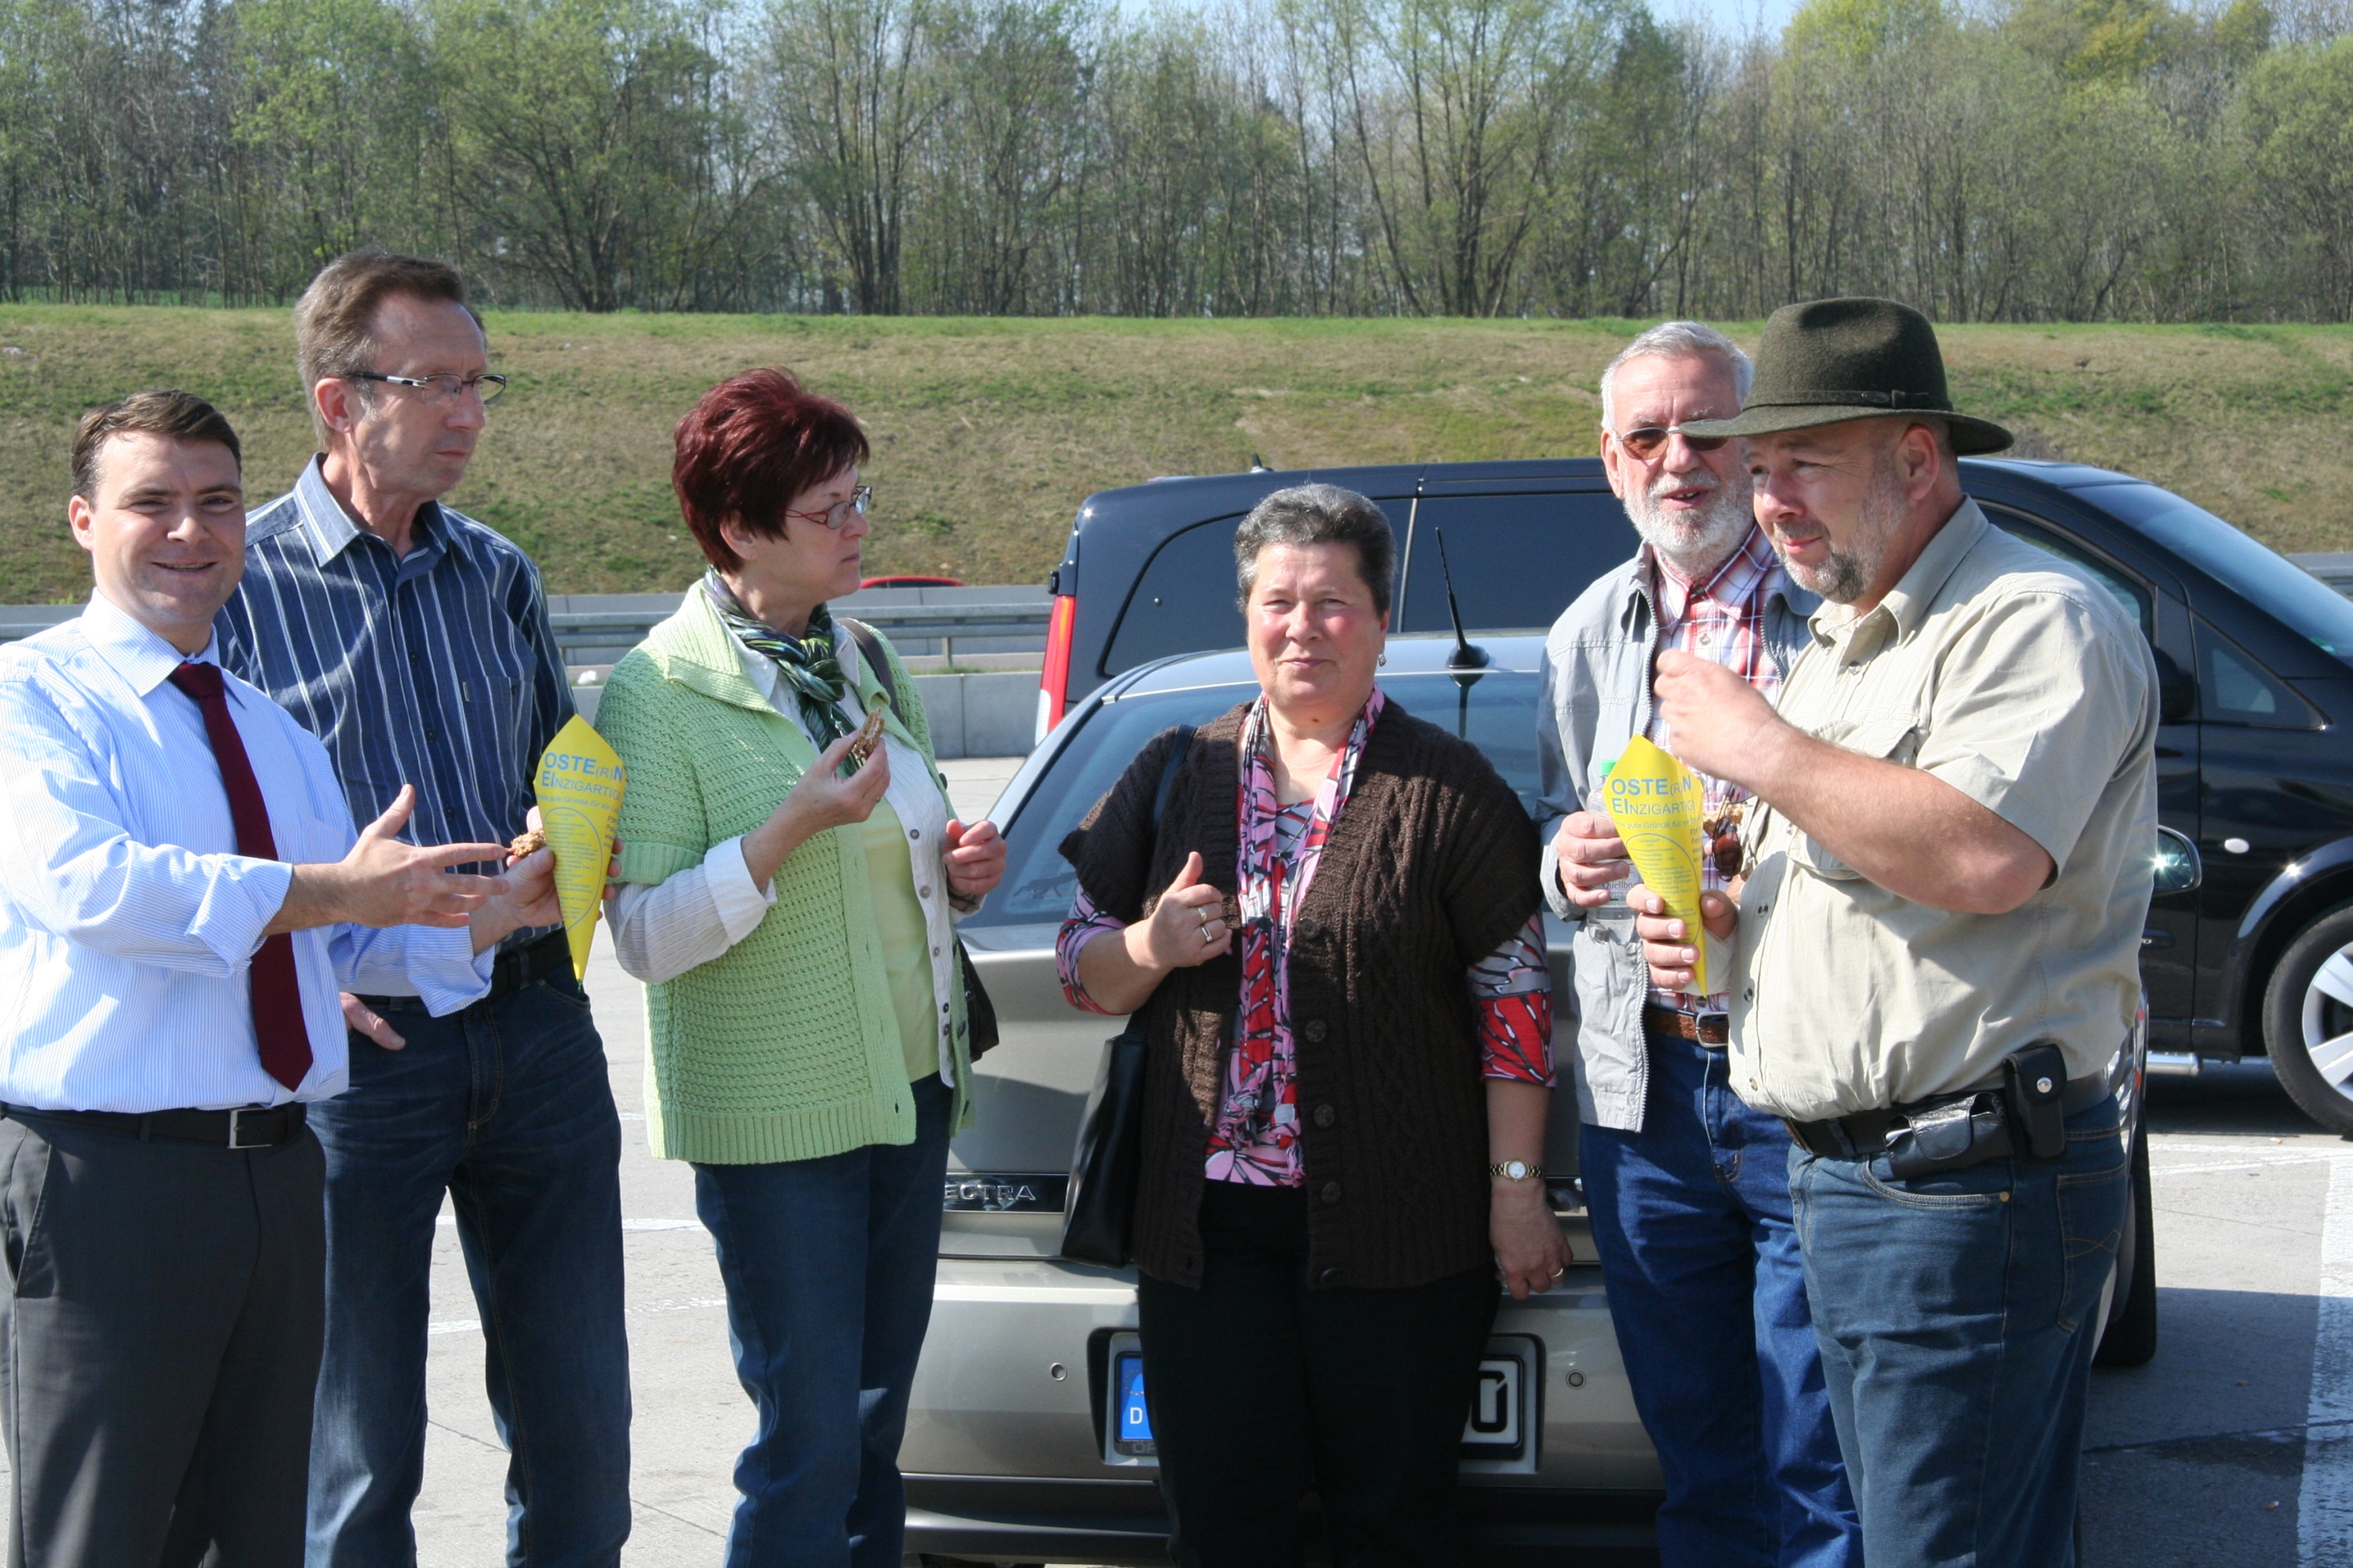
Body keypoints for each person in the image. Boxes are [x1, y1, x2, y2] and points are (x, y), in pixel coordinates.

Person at [0, 391, 560, 1567]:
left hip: (279, 1175)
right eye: (150, 502)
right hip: (111, 1181)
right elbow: (99, 888)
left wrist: (487, 916)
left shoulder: (271, 731)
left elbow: (340, 948)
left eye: (214, 502)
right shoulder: (32, 697)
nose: (189, 531)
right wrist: (330, 890)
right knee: (100, 1531)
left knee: (257, 1533)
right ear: (80, 521)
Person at [1638, 297, 2156, 1568]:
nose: (1770, 501)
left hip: (1967, 1191)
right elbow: (1838, 860)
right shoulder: (1841, 643)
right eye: (1759, 471)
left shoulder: (2035, 618)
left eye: (1802, 460)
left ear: (1917, 459)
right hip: (1845, 1183)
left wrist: (1760, 745)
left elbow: (1983, 851)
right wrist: (1718, 924)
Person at [1055, 483, 1572, 1566]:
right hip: (1207, 1241)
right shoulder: (1171, 770)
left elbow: (1516, 1007)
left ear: (1381, 622)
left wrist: (1514, 1194)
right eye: (1277, 600)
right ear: (1245, 615)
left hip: (1402, 1238)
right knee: (1223, 1529)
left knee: (1393, 1526)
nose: (1303, 627)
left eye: (1333, 602)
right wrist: (1150, 945)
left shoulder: (1449, 789)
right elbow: (1083, 972)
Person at [213, 251, 630, 1567]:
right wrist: (290, 974)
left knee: (579, 1433)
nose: (466, 413)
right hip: (359, 1055)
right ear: (338, 402)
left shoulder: (496, 569)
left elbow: (552, 765)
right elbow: (195, 824)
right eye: (432, 384)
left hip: (537, 1033)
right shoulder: (238, 583)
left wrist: (562, 854)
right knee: (355, 1447)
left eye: (477, 383)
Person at [592, 368, 1007, 1567]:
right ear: (738, 527)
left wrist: (958, 864)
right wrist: (785, 830)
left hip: (909, 1090)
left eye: (859, 498)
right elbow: (645, 934)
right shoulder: (658, 690)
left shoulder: (863, 653)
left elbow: (913, 844)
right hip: (778, 1122)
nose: (859, 526)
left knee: (877, 1432)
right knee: (810, 1437)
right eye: (830, 509)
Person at [1536, 321, 1860, 1568]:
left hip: (1802, 1076)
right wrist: (1559, 866)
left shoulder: (1833, 608)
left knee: (1818, 1455)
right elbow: (1548, 826)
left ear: (1754, 443)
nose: (1679, 459)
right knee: (1700, 1455)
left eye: (1705, 429)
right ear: (1608, 461)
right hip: (1646, 1092)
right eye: (1646, 436)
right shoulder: (1582, 635)